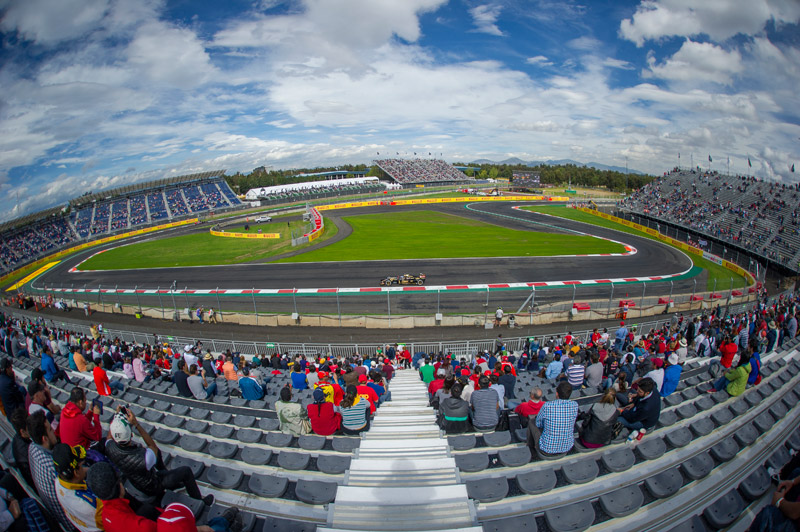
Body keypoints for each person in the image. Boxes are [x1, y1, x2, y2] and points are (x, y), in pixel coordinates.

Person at [105, 409, 215, 507]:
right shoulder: (145, 458)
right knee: (186, 471)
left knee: (157, 459)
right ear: (131, 435)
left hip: (137, 482)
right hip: (153, 485)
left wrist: (117, 417)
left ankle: (174, 484)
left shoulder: (109, 447)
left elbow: (110, 436)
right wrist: (137, 424)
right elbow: (153, 447)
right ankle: (199, 502)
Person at [27, 410, 74, 531]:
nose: (53, 431)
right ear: (44, 439)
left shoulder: (32, 447)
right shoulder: (53, 468)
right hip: (72, 522)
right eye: (50, 430)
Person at [52, 443, 103, 531]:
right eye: (82, 465)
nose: (84, 467)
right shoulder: (91, 504)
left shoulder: (58, 482)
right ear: (76, 473)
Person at [528, 382, 578, 456]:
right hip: (567, 447)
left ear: (557, 393)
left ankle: (531, 448)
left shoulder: (547, 406)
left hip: (547, 449)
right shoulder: (575, 405)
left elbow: (538, 424)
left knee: (532, 421)